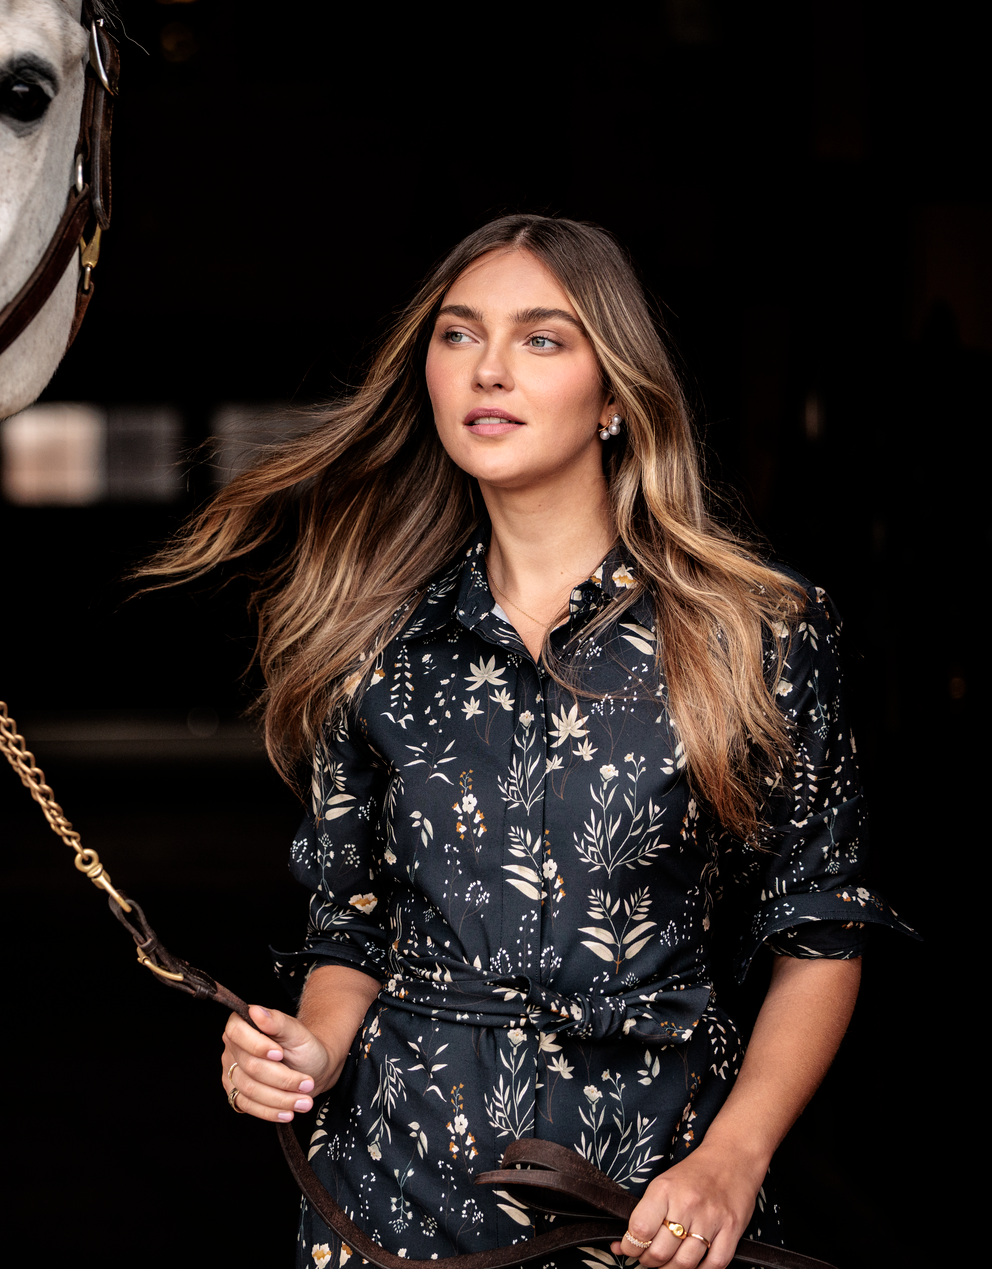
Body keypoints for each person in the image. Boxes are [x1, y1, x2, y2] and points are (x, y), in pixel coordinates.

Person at [142, 215, 905, 1268]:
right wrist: (307, 1048)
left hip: (652, 1199)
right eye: (458, 336)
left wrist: (733, 1159)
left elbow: (819, 931)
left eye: (542, 339)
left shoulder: (753, 632)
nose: (488, 369)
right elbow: (351, 929)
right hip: (391, 1197)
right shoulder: (371, 644)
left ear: (613, 398)